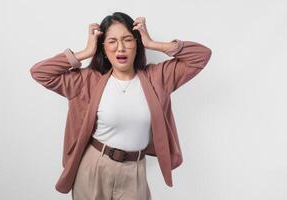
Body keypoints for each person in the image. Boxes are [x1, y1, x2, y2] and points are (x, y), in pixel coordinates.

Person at [30, 12, 212, 200]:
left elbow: (201, 56)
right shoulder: (87, 81)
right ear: (103, 48)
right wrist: (85, 52)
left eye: (128, 40)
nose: (121, 48)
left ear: (136, 43)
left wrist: (153, 44)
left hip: (134, 173)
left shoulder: (158, 78)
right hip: (94, 167)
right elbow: (40, 73)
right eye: (112, 41)